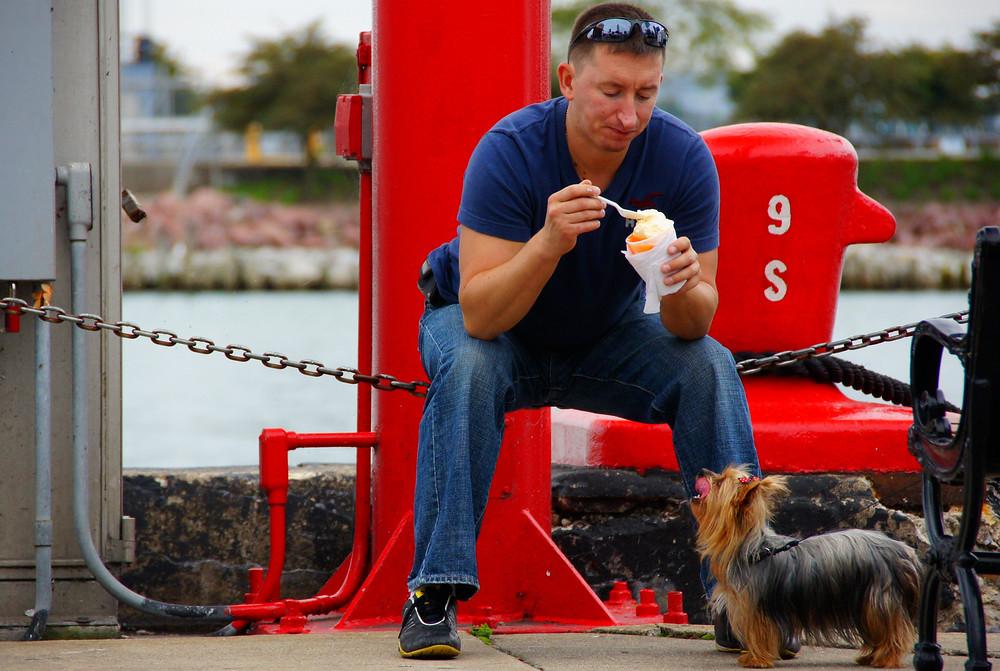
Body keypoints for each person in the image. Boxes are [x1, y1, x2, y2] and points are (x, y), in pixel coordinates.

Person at [398, 2, 762, 659]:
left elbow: (693, 325)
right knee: (470, 366)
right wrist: (547, 241)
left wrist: (682, 283)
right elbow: (480, 314)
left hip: (603, 336)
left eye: (645, 94)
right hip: (494, 331)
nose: (629, 115)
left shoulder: (682, 157)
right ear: (568, 80)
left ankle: (741, 593)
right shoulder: (510, 150)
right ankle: (434, 592)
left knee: (709, 365)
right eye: (611, 92)